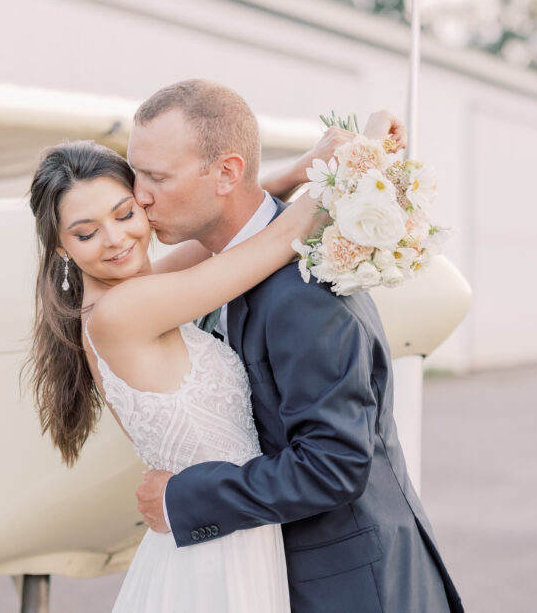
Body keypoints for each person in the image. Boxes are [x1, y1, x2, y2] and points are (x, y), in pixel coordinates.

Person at [130, 79, 464, 613]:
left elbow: (334, 464)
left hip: (354, 591)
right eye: (135, 173)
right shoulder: (233, 268)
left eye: (156, 177)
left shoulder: (301, 292)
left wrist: (184, 498)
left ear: (227, 173)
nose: (139, 195)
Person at [27, 137, 333, 612]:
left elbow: (226, 229)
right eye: (86, 233)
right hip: (216, 558)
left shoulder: (129, 294)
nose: (115, 239)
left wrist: (297, 171)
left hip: (219, 537)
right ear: (61, 248)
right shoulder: (125, 310)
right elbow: (277, 238)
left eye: (125, 214)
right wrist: (357, 157)